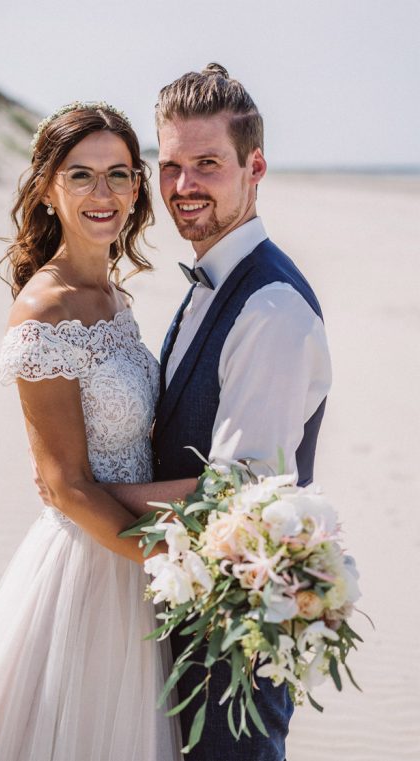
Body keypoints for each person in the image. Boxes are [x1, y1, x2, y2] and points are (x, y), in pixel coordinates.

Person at [0, 102, 192, 761]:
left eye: (120, 175)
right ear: (47, 189)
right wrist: (175, 563)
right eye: (82, 176)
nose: (105, 194)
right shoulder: (45, 307)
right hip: (96, 565)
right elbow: (63, 484)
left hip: (137, 557)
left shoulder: (114, 297)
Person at [102, 64, 332, 761]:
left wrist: (91, 495)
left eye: (207, 164)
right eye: (169, 165)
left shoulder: (271, 308)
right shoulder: (212, 282)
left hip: (235, 643)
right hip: (183, 624)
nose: (182, 186)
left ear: (254, 165)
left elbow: (234, 499)